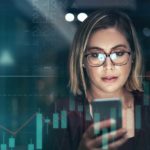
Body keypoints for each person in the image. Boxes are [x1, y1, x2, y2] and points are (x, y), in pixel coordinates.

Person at [43, 9, 150, 150]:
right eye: (95, 55)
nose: (108, 66)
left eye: (118, 53)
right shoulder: (61, 113)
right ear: (82, 60)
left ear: (133, 56)